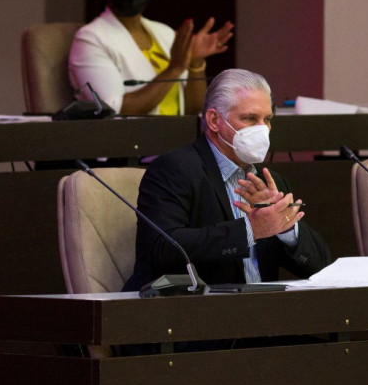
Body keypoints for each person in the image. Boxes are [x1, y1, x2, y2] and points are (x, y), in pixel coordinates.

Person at [123, 69, 331, 291]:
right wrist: (251, 229)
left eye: (267, 119)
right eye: (250, 118)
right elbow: (163, 249)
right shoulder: (174, 170)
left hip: (264, 312)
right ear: (214, 120)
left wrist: (285, 227)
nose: (262, 129)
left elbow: (322, 268)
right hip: (195, 312)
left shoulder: (270, 182)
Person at [69, 0, 234, 116]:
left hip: (179, 135)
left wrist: (196, 63)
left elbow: (194, 110)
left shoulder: (164, 33)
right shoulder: (90, 39)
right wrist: (174, 69)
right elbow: (113, 110)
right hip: (132, 138)